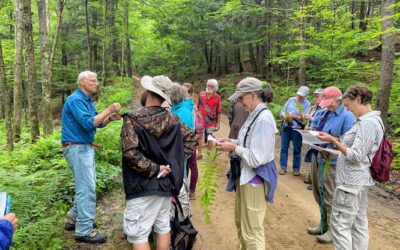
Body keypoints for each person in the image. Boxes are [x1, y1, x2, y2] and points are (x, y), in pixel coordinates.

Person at [121, 75, 196, 250]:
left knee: (138, 233)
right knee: (163, 226)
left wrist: (155, 169)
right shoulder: (173, 119)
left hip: (141, 184)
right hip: (166, 184)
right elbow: (191, 140)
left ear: (148, 92)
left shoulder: (132, 119)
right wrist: (172, 165)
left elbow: (130, 153)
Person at [317, 84, 383, 249]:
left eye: (348, 105)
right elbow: (357, 154)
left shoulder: (368, 123)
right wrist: (332, 152)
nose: (347, 109)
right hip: (358, 181)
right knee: (358, 223)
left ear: (359, 100)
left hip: (351, 182)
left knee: (340, 225)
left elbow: (356, 156)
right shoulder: (369, 121)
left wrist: (334, 141)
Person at [216, 77, 277, 250]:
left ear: (252, 95)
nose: (240, 102)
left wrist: (233, 148)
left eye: (241, 98)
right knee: (242, 224)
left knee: (252, 230)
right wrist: (230, 141)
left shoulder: (264, 119)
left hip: (255, 179)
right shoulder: (253, 115)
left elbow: (257, 158)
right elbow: (249, 142)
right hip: (245, 176)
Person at [61, 71, 121, 244]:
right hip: (77, 148)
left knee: (87, 186)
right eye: (92, 81)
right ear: (82, 83)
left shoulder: (86, 100)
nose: (96, 83)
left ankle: (73, 219)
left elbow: (98, 122)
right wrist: (109, 108)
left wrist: (109, 117)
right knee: (86, 189)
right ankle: (84, 230)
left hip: (82, 148)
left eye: (97, 80)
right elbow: (89, 123)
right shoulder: (75, 100)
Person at [306, 86, 355, 244]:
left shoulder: (347, 117)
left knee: (330, 196)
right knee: (318, 193)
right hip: (318, 156)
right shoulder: (323, 112)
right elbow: (318, 129)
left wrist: (332, 143)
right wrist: (310, 130)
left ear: (338, 100)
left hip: (333, 161)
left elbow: (350, 143)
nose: (327, 105)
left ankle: (333, 231)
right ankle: (323, 224)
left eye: (330, 103)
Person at [279, 86, 311, 176]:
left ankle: (296, 168)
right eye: (299, 94)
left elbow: (305, 119)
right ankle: (283, 167)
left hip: (297, 128)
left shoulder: (307, 104)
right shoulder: (291, 100)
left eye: (302, 95)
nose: (299, 97)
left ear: (306, 96)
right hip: (286, 126)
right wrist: (284, 116)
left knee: (297, 149)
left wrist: (295, 116)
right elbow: (282, 111)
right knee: (284, 147)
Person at [181, 83, 200, 199]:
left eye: (185, 92)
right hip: (183, 142)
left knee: (192, 165)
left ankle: (192, 190)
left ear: (191, 93)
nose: (183, 94)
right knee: (184, 166)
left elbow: (196, 126)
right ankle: (184, 189)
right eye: (181, 91)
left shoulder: (192, 107)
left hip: (190, 141)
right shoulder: (179, 106)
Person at [303, 88, 325, 187]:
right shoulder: (313, 108)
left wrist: (310, 119)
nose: (315, 98)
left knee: (317, 158)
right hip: (310, 135)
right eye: (314, 96)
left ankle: (316, 182)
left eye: (317, 96)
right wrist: (307, 125)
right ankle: (311, 177)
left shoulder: (325, 109)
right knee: (311, 156)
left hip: (319, 136)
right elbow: (309, 120)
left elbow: (321, 122)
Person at [197, 79, 221, 155]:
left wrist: (218, 123)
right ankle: (199, 153)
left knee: (210, 137)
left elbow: (219, 111)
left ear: (215, 88)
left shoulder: (217, 97)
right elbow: (198, 106)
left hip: (212, 121)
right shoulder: (201, 94)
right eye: (208, 85)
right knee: (199, 136)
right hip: (201, 119)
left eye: (211, 86)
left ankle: (208, 155)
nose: (209, 87)